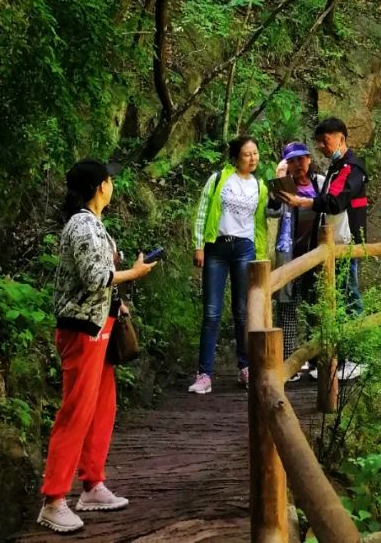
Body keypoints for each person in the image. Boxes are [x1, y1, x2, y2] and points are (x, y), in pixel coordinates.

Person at [37, 159, 158, 534]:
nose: (112, 184)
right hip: (82, 330)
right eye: (109, 180)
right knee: (76, 410)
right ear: (99, 186)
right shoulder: (83, 224)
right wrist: (135, 273)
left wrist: (118, 299)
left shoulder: (94, 223)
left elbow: (100, 281)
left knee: (102, 406)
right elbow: (94, 278)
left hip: (100, 325)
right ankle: (53, 499)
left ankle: (92, 484)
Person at [280, 116, 368, 379]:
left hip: (345, 244)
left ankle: (357, 358)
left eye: (324, 140)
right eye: (318, 142)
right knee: (333, 301)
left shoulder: (351, 167)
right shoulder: (335, 167)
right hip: (329, 246)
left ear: (340, 137)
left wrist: (302, 202)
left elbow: (334, 202)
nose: (321, 146)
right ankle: (334, 360)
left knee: (350, 298)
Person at [188, 135, 266, 395]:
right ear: (235, 157)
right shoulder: (220, 179)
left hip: (245, 249)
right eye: (247, 154)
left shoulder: (260, 186)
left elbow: (263, 221)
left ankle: (245, 368)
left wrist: (261, 255)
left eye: (255, 153)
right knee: (211, 312)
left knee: (243, 311)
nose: (253, 158)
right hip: (217, 248)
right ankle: (204, 374)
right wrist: (199, 245)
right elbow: (202, 212)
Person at [266, 141, 323, 361]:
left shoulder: (320, 183)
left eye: (301, 159)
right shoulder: (285, 186)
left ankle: (316, 359)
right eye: (291, 161)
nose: (298, 164)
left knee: (315, 304)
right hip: (289, 253)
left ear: (309, 159)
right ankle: (288, 358)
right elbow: (272, 212)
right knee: (287, 305)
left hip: (316, 251)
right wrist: (280, 177)